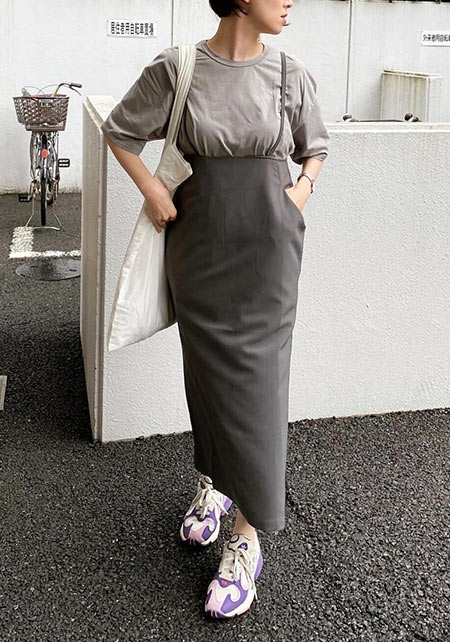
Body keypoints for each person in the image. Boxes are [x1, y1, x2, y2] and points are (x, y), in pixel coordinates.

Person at [100, 0, 330, 619]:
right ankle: (214, 483)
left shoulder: (290, 74)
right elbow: (120, 131)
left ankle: (247, 537)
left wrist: (299, 194)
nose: (291, 2)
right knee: (205, 376)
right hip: (198, 248)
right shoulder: (177, 69)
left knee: (259, 385)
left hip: (268, 252)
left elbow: (316, 146)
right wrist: (152, 189)